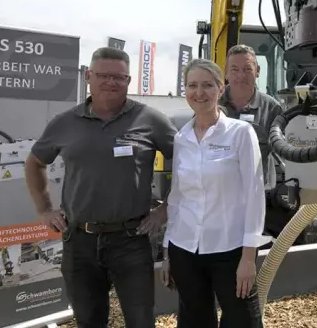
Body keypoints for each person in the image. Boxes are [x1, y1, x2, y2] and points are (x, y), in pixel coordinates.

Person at [24, 47, 177, 328]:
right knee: (89, 321)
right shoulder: (65, 122)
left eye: (119, 77)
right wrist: (44, 209)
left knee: (141, 321)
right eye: (103, 75)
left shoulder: (151, 120)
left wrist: (165, 209)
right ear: (88, 76)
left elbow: (189, 164)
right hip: (79, 242)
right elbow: (34, 163)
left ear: (129, 81)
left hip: (131, 241)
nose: (111, 82)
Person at [160, 58, 270, 328]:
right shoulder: (182, 137)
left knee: (242, 320)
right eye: (192, 85)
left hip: (229, 249)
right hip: (185, 248)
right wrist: (167, 252)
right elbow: (177, 198)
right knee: (194, 320)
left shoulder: (240, 133)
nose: (200, 92)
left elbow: (255, 196)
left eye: (208, 85)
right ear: (184, 90)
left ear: (221, 89)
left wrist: (248, 257)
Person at [219, 44, 283, 182]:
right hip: (218, 192)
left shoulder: (272, 109)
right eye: (234, 69)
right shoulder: (212, 104)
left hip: (258, 192)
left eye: (247, 69)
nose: (241, 76)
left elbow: (284, 151)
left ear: (258, 71)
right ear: (226, 72)